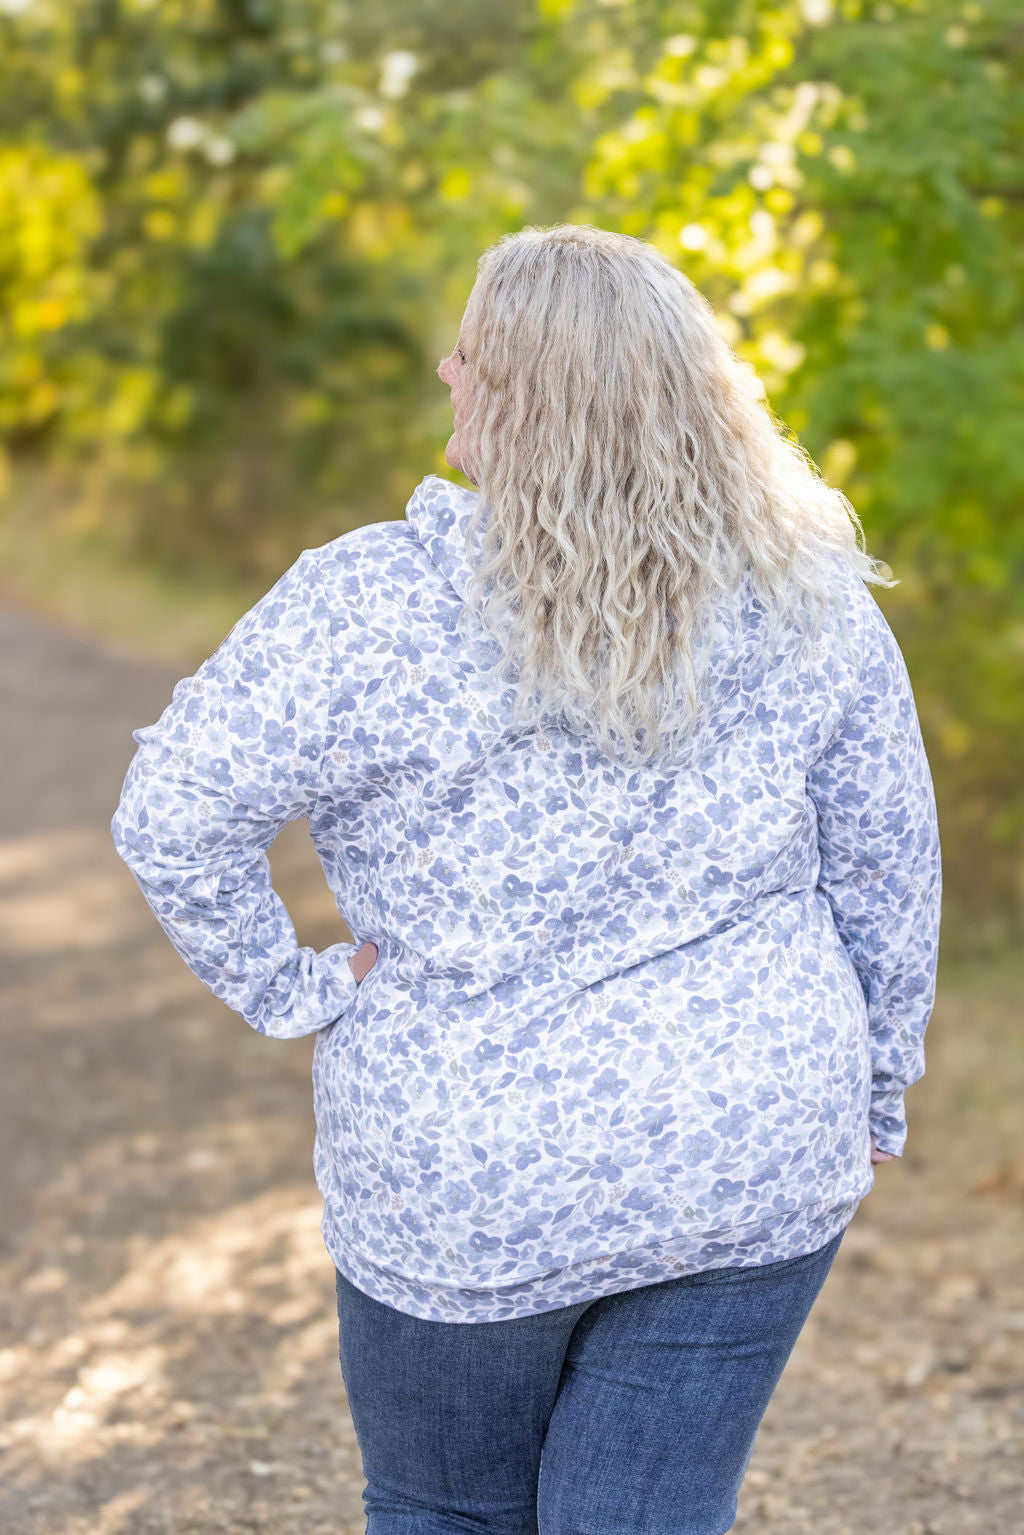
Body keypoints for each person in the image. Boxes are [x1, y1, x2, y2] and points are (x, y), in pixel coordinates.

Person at [111, 223, 942, 1534]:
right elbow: (890, 871)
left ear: (529, 395)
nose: (446, 372)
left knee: (448, 1510)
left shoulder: (369, 605)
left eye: (474, 356)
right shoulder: (812, 595)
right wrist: (874, 1086)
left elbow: (171, 813)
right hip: (750, 1139)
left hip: (470, 1171)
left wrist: (292, 988)